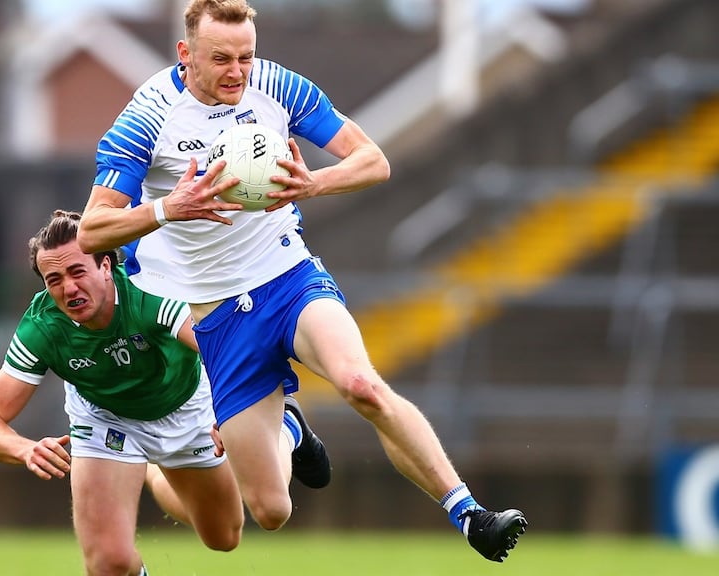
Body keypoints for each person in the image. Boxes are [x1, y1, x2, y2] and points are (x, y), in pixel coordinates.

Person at [77, 0, 527, 563]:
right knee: (269, 510)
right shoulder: (147, 115)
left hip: (288, 278)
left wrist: (315, 184)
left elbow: (373, 160)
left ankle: (469, 515)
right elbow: (93, 230)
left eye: (246, 56)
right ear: (185, 54)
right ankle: (291, 429)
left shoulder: (276, 85)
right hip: (215, 314)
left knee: (361, 384)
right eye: (221, 59)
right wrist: (171, 207)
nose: (238, 72)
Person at [0, 210, 250, 576]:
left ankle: (154, 472)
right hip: (104, 419)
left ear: (105, 265)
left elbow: (221, 350)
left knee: (224, 535)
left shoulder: (149, 290)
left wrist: (226, 410)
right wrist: (25, 448)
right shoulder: (43, 327)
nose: (68, 288)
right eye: (54, 280)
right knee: (108, 563)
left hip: (185, 406)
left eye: (77, 272)